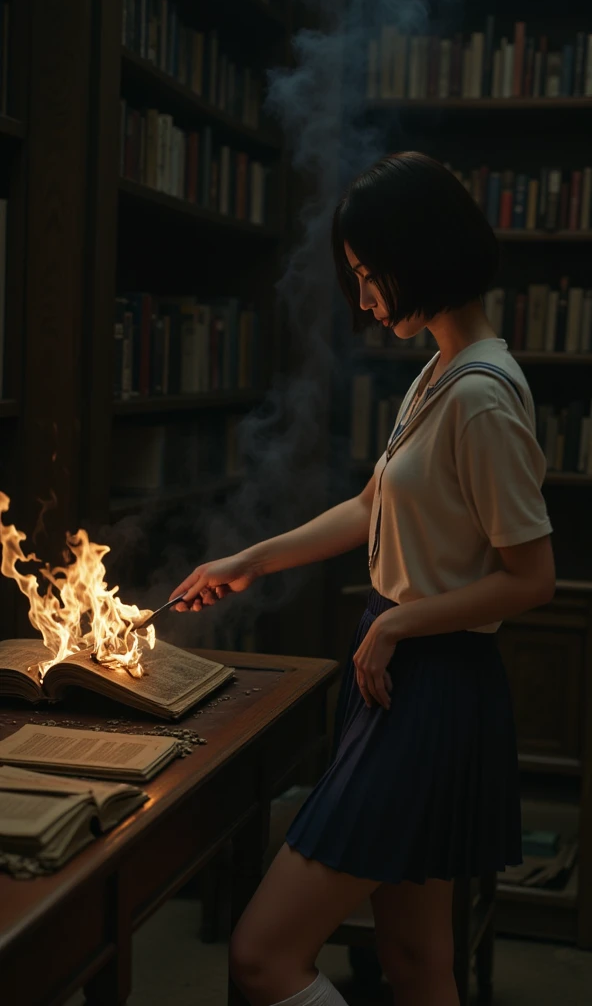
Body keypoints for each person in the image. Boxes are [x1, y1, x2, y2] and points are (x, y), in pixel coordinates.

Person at [169, 151, 556, 1006]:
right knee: (418, 967)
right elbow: (370, 505)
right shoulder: (439, 374)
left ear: (416, 258)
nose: (365, 298)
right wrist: (248, 560)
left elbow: (532, 578)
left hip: (429, 687)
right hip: (403, 679)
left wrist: (394, 624)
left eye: (368, 275)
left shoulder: (482, 397)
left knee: (263, 954)